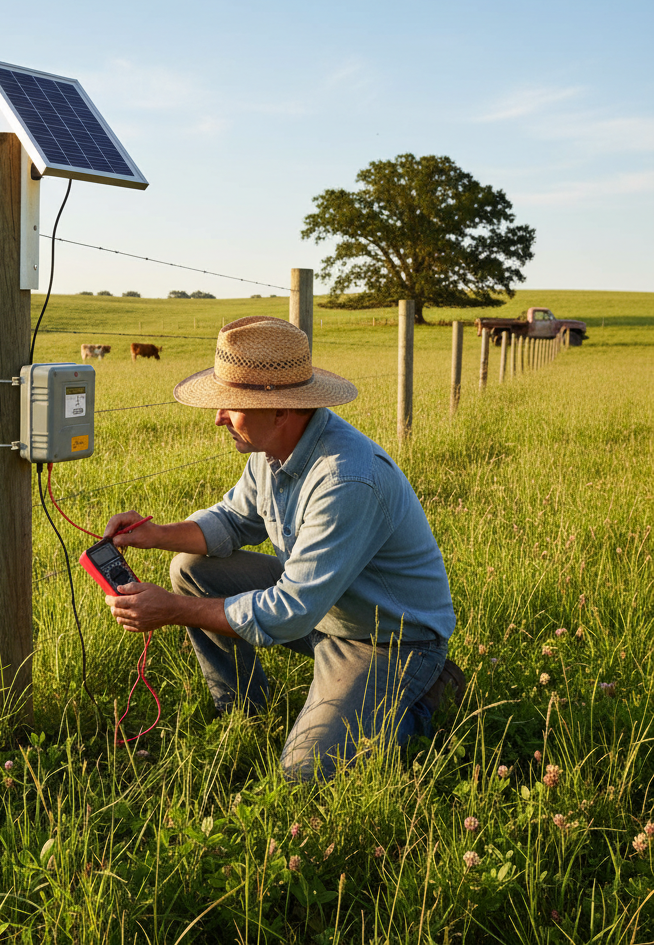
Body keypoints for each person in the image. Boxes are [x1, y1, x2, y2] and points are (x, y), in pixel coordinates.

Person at [102, 316, 462, 780]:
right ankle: (241, 710)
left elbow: (290, 609)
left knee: (304, 772)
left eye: (231, 405)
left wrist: (170, 610)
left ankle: (424, 696)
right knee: (191, 567)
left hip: (385, 637)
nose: (217, 418)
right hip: (324, 608)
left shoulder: (345, 478)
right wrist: (155, 534)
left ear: (282, 410)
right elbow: (233, 519)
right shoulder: (270, 450)